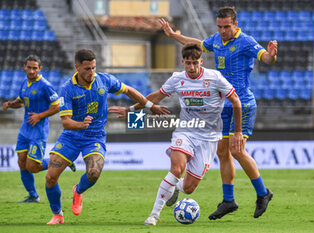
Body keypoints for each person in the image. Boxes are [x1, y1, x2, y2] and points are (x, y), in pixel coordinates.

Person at [159, 6, 278, 219]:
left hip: (242, 103)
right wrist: (173, 35)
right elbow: (196, 44)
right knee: (222, 151)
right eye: (220, 27)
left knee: (237, 150)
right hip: (223, 105)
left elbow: (265, 58)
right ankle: (228, 200)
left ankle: (263, 193)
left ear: (235, 25)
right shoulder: (215, 40)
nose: (222, 30)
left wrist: (271, 55)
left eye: (226, 27)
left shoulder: (246, 42)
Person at [109, 43, 243, 226]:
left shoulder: (215, 77)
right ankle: (154, 215)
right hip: (185, 130)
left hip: (209, 138)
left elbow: (235, 100)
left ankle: (175, 187)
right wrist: (130, 109)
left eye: (195, 63)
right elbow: (156, 96)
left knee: (189, 188)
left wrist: (237, 132)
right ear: (183, 62)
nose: (192, 67)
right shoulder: (177, 79)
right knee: (176, 169)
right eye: (188, 63)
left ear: (201, 61)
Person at [45, 49, 168, 225]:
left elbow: (128, 90)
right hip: (71, 136)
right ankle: (57, 214)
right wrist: (80, 124)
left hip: (95, 137)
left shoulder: (104, 80)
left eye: (93, 67)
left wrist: (149, 105)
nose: (91, 72)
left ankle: (78, 190)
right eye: (87, 69)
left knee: (94, 173)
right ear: (77, 67)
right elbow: (65, 122)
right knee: (50, 177)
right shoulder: (67, 89)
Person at [2, 55, 75, 203]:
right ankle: (33, 195)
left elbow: (56, 106)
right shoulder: (24, 83)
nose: (31, 70)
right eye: (29, 67)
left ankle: (63, 161)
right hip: (25, 128)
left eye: (35, 68)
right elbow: (21, 102)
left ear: (39, 69)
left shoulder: (45, 86)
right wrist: (10, 104)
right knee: (21, 162)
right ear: (25, 67)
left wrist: (39, 116)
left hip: (39, 130)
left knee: (32, 167)